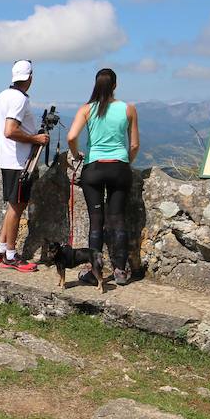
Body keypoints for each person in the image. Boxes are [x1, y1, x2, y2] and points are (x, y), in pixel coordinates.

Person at [66, 67, 140, 286]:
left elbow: (71, 136)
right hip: (119, 168)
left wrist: (75, 154)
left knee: (96, 222)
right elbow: (134, 144)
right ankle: (120, 270)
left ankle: (94, 272)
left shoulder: (86, 109)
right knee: (117, 219)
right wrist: (125, 162)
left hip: (94, 169)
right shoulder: (129, 109)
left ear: (95, 85)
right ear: (115, 85)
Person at [0, 59, 48, 271]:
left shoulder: (3, 95)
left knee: (13, 206)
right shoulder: (19, 100)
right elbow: (10, 130)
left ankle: (1, 248)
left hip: (7, 159)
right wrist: (37, 139)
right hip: (19, 163)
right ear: (30, 77)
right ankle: (11, 255)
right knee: (17, 207)